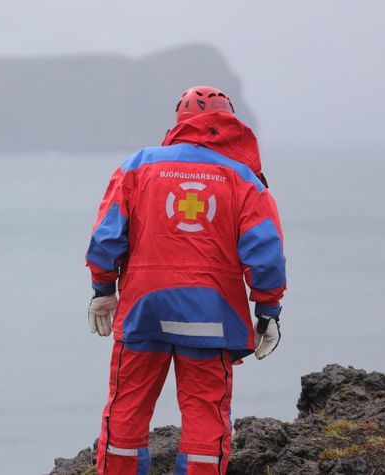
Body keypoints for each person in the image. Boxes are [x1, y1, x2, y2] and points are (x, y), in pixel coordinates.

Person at [85, 85, 286, 475]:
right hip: (213, 316)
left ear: (179, 121)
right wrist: (268, 311)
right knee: (206, 414)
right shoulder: (244, 179)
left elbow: (107, 235)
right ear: (228, 121)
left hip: (144, 309)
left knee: (127, 406)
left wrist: (103, 288)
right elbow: (265, 252)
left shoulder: (139, 165)